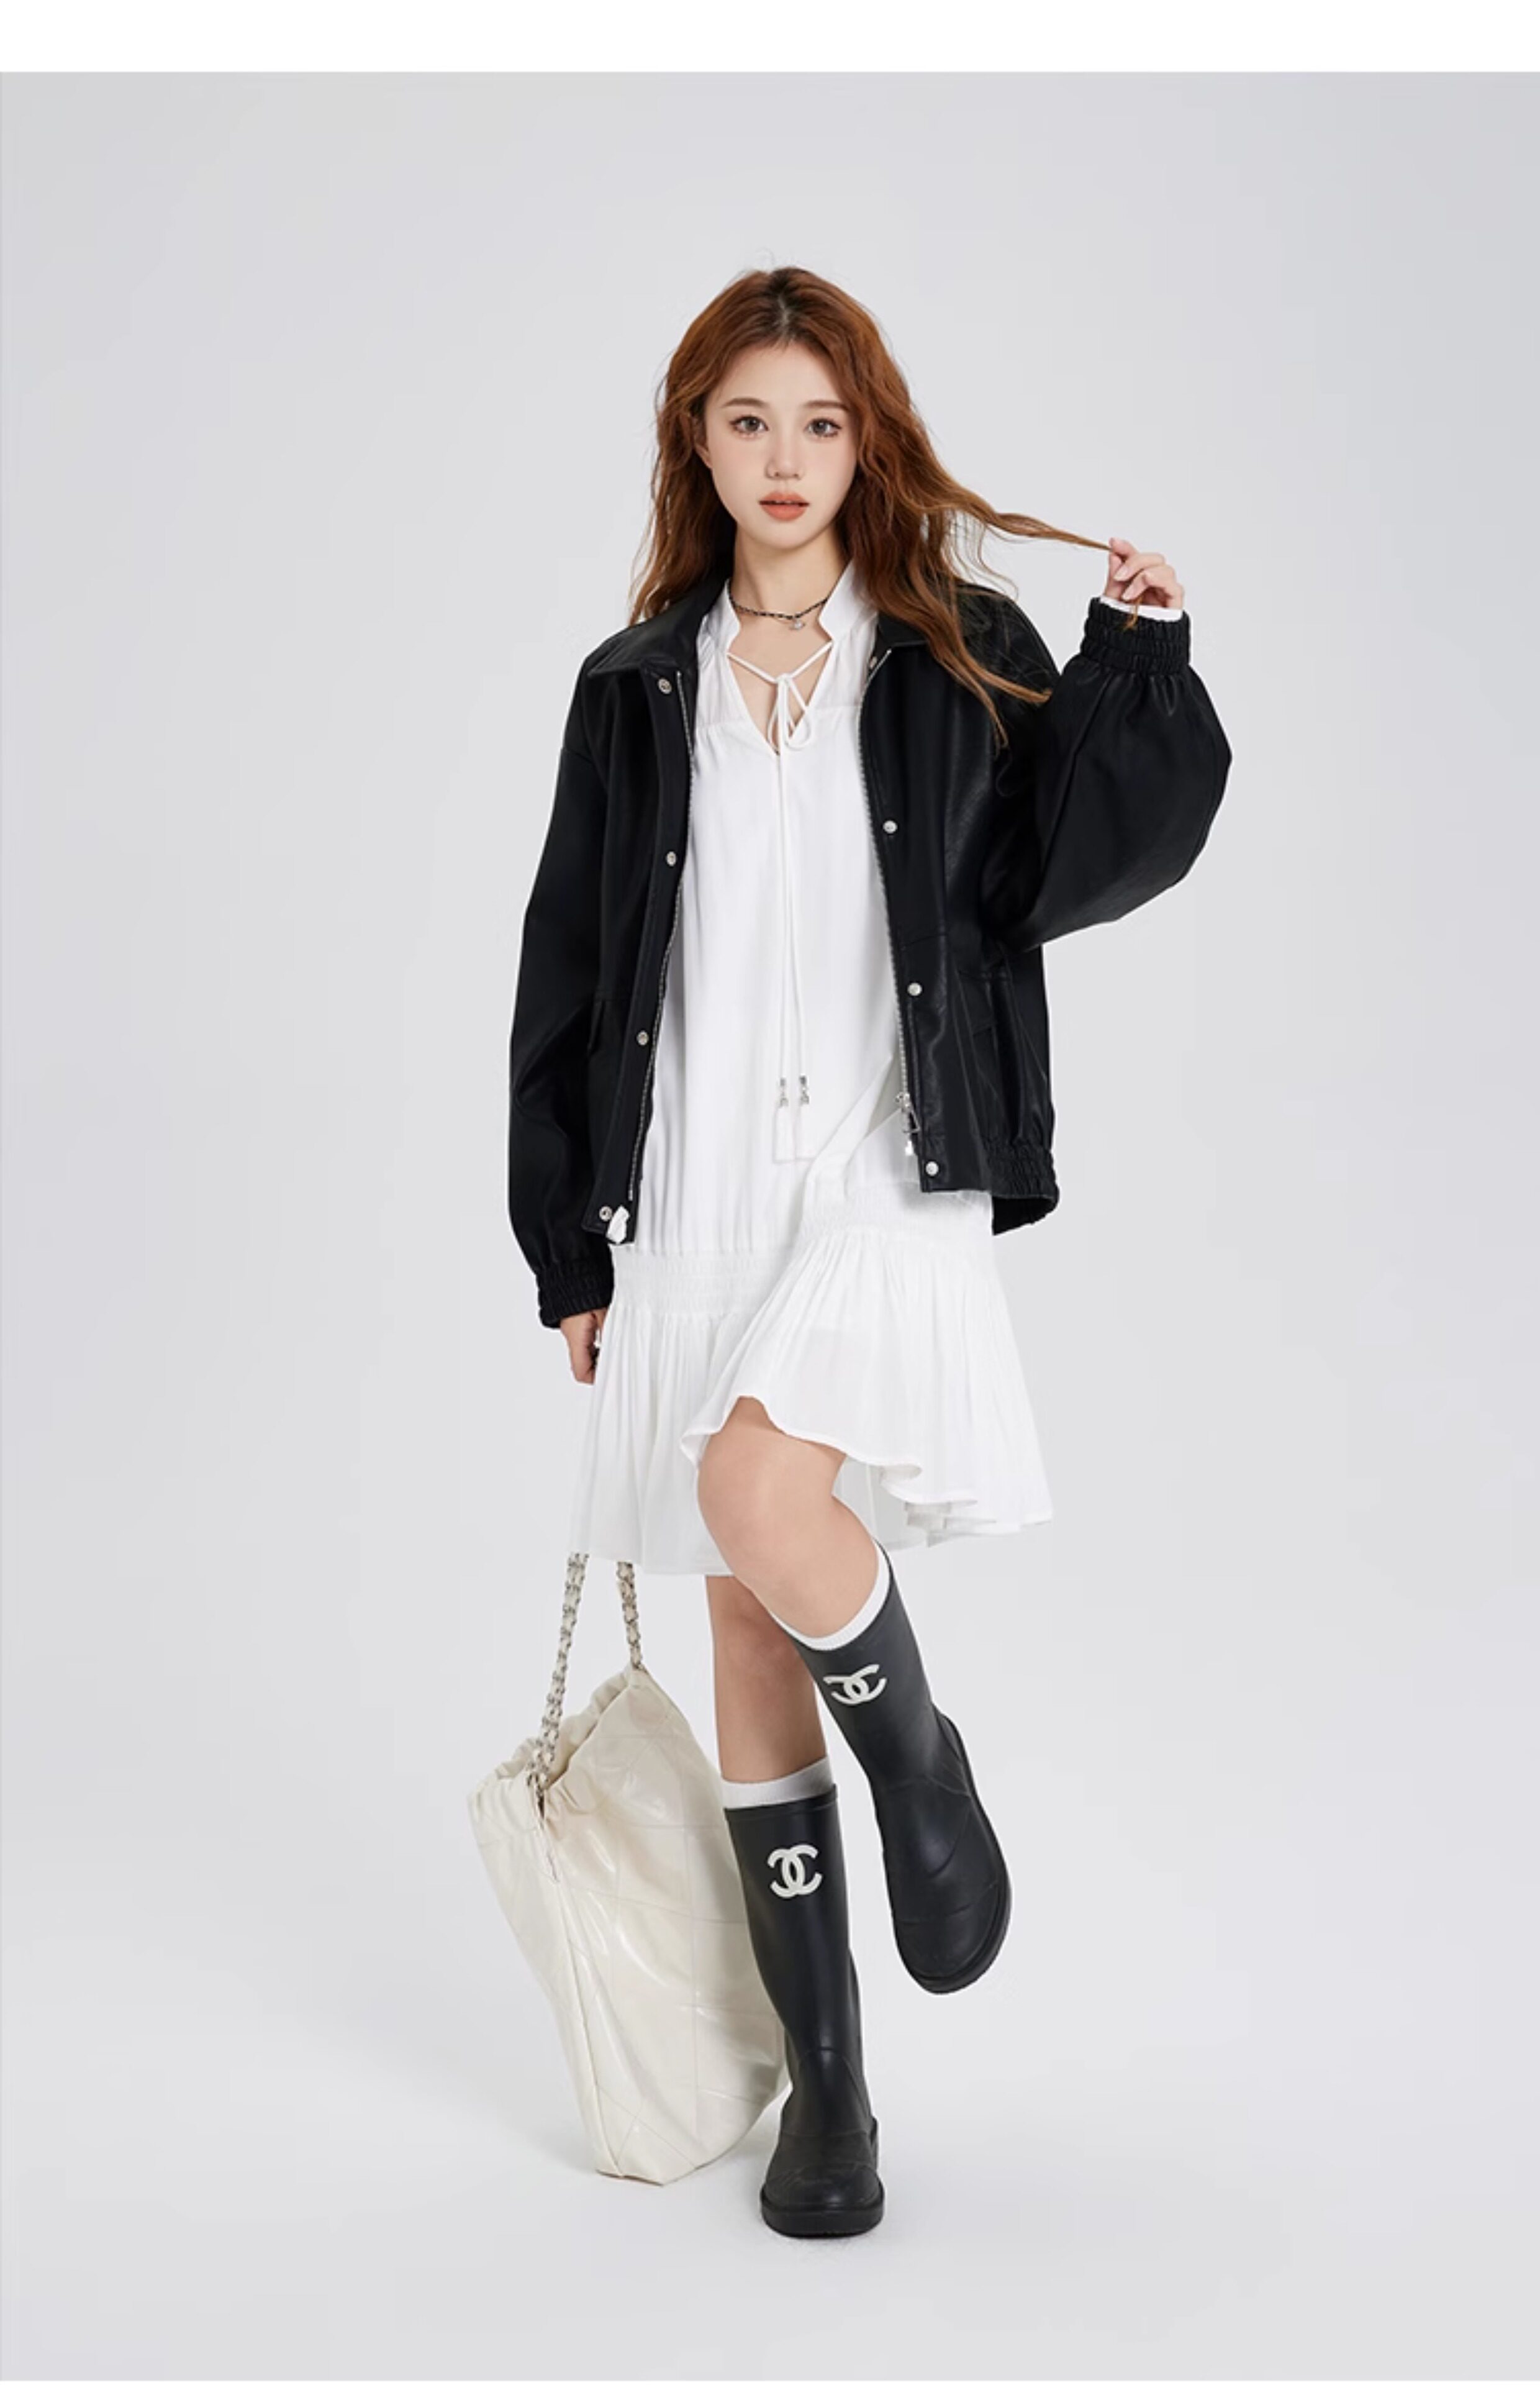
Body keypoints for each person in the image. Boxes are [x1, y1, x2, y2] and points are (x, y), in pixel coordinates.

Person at [505, 265, 1231, 2238]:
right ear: (697, 439)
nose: (785, 460)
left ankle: (920, 1763)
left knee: (761, 1496)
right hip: (692, 1185)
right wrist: (569, 1237)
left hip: (881, 1172)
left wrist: (1137, 666)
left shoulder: (952, 648)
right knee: (750, 1617)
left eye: (820, 424)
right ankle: (831, 2097)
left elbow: (1066, 870)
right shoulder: (635, 683)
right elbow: (567, 957)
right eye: (749, 421)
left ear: (867, 442)